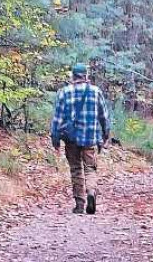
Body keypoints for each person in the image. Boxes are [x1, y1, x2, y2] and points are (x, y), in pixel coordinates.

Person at [50, 63, 111, 214]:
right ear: (86, 75)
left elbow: (57, 119)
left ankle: (79, 204)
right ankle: (91, 192)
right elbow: (104, 116)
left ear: (72, 76)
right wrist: (105, 134)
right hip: (90, 137)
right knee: (90, 168)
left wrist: (55, 138)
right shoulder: (96, 92)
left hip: (71, 138)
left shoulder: (64, 92)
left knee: (76, 169)